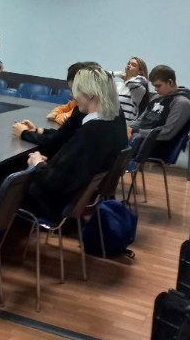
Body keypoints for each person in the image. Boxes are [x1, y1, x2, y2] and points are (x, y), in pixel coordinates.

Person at [11, 65, 127, 224]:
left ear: (90, 94)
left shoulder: (90, 133)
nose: (73, 96)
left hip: (53, 205)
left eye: (76, 90)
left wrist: (37, 163)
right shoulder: (114, 122)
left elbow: (54, 183)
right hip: (80, 199)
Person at [14, 61, 100, 160]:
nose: (71, 95)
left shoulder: (83, 112)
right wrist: (38, 130)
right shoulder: (102, 115)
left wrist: (24, 133)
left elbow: (55, 141)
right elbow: (64, 134)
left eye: (74, 90)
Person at [130, 64, 190, 159]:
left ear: (170, 82)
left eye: (158, 86)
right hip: (140, 140)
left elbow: (167, 133)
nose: (155, 89)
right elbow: (140, 121)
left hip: (158, 147)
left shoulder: (181, 103)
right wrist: (125, 128)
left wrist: (136, 131)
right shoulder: (156, 98)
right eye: (154, 86)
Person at [112, 56, 149, 125]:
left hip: (125, 126)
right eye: (128, 63)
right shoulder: (117, 84)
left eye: (133, 65)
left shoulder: (139, 88)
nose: (129, 65)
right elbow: (99, 77)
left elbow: (131, 83)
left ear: (140, 71)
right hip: (110, 123)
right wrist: (118, 73)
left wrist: (124, 76)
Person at [46, 61, 85, 126]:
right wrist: (55, 113)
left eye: (73, 90)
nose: (70, 94)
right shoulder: (76, 102)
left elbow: (67, 119)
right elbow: (62, 108)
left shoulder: (83, 106)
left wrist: (56, 116)